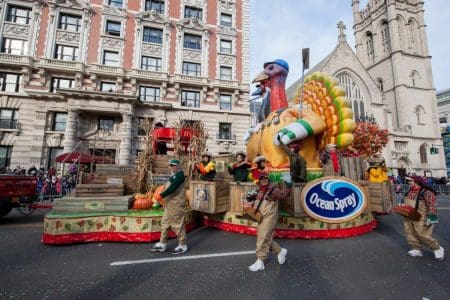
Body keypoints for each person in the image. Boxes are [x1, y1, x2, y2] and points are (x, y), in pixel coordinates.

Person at [248, 174, 288, 272]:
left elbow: (283, 195)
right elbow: (252, 198)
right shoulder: (259, 189)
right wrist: (250, 196)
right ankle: (280, 251)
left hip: (269, 217)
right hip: (261, 216)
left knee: (263, 236)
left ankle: (260, 260)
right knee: (263, 236)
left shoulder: (273, 189)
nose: (263, 180)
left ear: (268, 179)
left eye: (265, 178)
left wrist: (284, 187)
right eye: (261, 179)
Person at [402, 175, 444, 260]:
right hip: (408, 215)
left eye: (411, 181)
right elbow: (405, 200)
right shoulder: (410, 190)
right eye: (408, 181)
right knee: (409, 232)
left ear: (417, 182)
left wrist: (431, 218)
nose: (409, 183)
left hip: (421, 216)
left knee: (422, 234)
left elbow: (432, 205)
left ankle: (437, 248)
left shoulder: (426, 192)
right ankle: (416, 248)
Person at [151, 159, 188, 255]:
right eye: (170, 165)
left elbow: (173, 188)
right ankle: (162, 243)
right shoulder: (174, 175)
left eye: (174, 165)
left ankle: (182, 245)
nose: (172, 167)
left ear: (179, 165)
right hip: (170, 204)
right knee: (165, 223)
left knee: (177, 224)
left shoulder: (180, 175)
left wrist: (161, 195)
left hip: (176, 204)